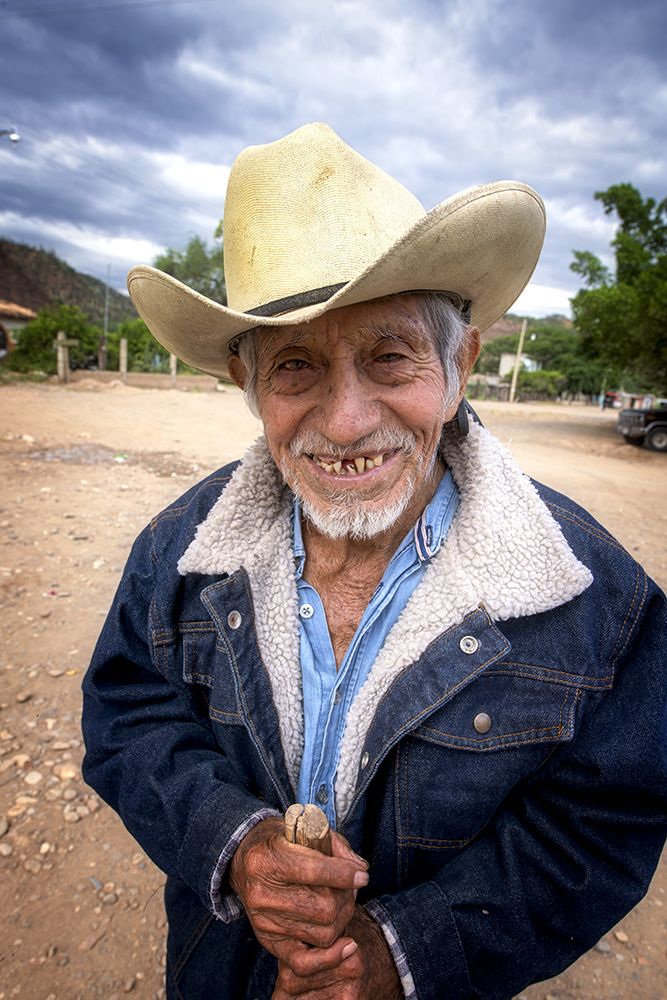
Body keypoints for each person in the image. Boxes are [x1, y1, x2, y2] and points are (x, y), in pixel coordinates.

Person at [82, 123, 667, 1000]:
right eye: (295, 366)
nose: (348, 420)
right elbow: (126, 716)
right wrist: (231, 842)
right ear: (250, 390)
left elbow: (603, 820)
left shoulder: (594, 595)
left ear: (458, 364)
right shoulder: (179, 549)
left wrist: (407, 954)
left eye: (390, 356)